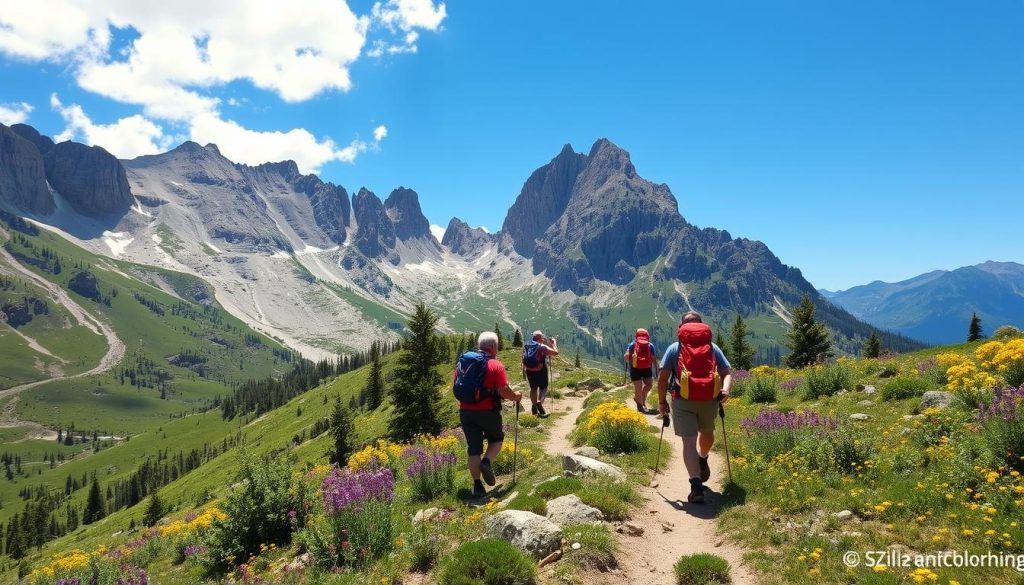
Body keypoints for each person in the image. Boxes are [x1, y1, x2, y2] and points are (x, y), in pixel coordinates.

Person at [657, 311, 732, 504]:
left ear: (681, 328)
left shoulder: (675, 348)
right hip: (709, 399)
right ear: (702, 326)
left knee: (688, 443)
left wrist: (662, 402)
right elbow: (727, 372)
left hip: (682, 400)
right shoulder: (712, 347)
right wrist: (725, 390)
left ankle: (696, 485)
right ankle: (703, 457)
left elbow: (663, 378)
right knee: (707, 433)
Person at [456, 332, 524, 498]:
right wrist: (515, 397)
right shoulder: (496, 365)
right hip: (488, 411)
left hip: (465, 410)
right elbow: (503, 391)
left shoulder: (464, 363)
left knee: (473, 449)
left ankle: (477, 486)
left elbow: (457, 385)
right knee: (496, 439)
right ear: (494, 347)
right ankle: (486, 462)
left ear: (480, 346)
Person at [523, 330, 558, 417]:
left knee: (533, 388)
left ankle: (534, 405)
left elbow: (523, 357)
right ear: (540, 338)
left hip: (529, 370)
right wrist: (554, 343)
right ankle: (539, 402)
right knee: (543, 388)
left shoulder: (527, 345)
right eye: (542, 337)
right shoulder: (541, 347)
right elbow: (555, 353)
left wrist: (524, 369)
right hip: (541, 370)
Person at [624, 328, 658, 414]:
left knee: (638, 388)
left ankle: (639, 403)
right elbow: (654, 359)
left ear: (636, 336)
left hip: (635, 368)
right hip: (647, 368)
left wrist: (629, 357)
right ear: (647, 336)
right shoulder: (650, 345)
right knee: (649, 385)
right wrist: (656, 370)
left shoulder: (632, 344)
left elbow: (626, 357)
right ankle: (642, 403)